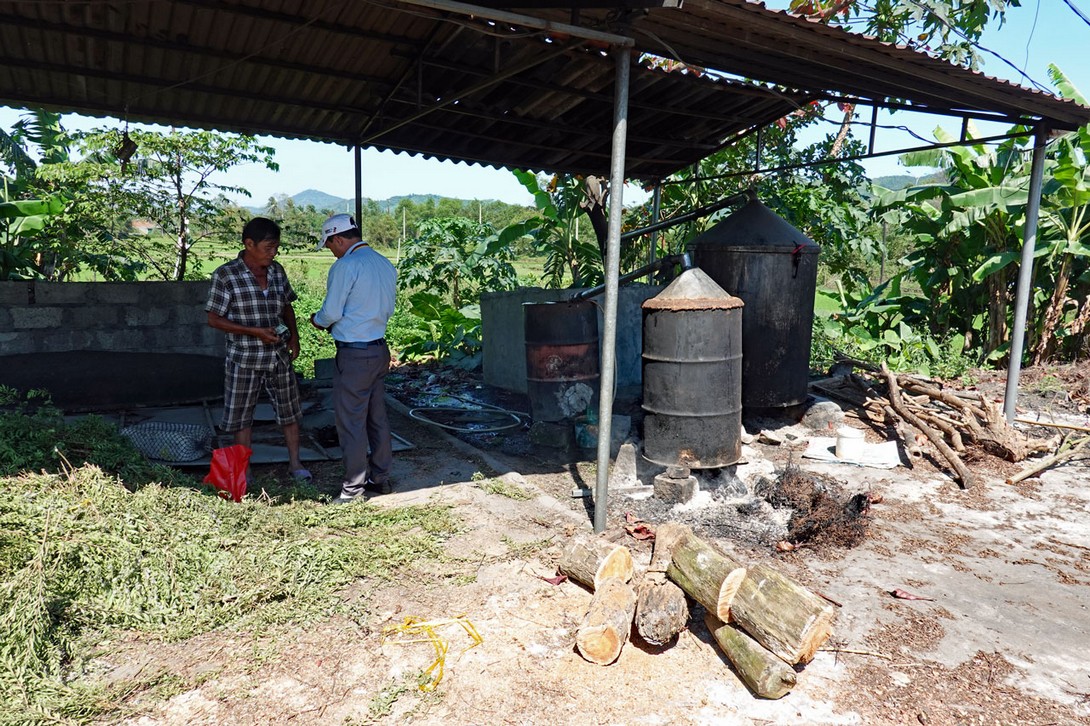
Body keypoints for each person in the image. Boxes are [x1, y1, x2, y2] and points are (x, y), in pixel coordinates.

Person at [205, 217, 310, 482]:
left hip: (278, 355)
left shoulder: (277, 271)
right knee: (241, 415)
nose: (273, 252)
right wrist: (255, 332)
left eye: (276, 247)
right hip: (244, 357)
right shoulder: (226, 275)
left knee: (290, 410)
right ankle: (245, 470)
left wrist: (294, 338)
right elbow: (214, 319)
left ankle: (295, 464)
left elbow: (287, 306)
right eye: (269, 247)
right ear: (248, 244)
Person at [310, 213, 398, 503]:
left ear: (338, 238)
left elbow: (332, 313)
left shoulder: (345, 266)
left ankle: (352, 490)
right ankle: (380, 478)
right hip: (379, 349)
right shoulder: (384, 263)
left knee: (351, 422)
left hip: (355, 354)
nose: (331, 251)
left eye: (330, 244)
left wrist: (318, 321)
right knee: (377, 417)